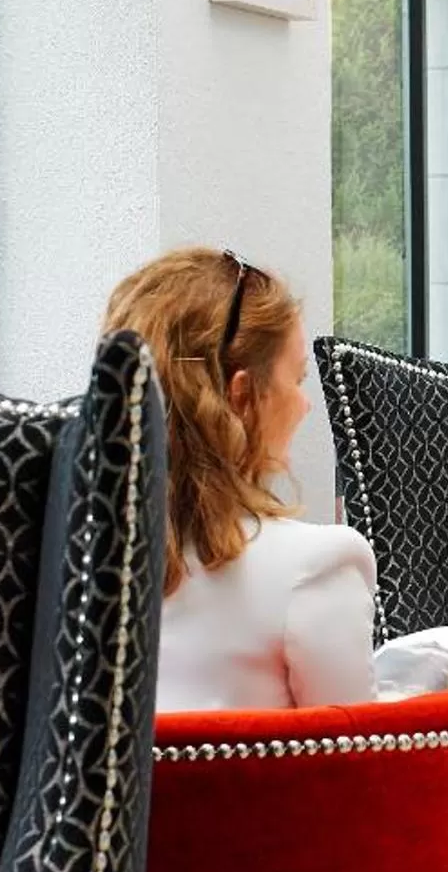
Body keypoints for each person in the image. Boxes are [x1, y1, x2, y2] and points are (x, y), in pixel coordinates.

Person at [103, 247, 379, 712]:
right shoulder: (318, 566)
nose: (306, 405)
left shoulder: (66, 566)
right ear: (243, 394)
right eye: (298, 380)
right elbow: (361, 770)